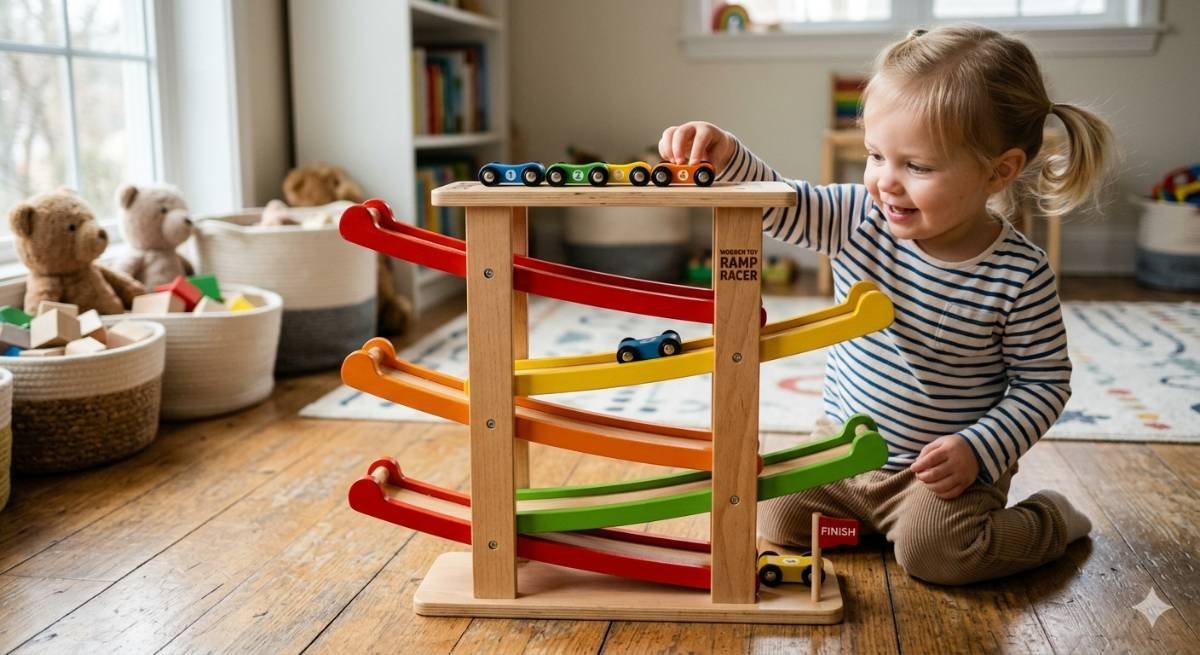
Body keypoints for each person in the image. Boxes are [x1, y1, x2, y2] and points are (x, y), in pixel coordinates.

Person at [658, 23, 1114, 585]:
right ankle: (879, 529)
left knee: (939, 555)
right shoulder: (856, 218)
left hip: (943, 476)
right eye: (876, 155)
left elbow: (1044, 382)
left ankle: (1049, 521)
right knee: (772, 513)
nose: (885, 182)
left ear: (999, 171)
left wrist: (977, 449)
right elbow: (779, 203)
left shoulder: (1019, 275)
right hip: (844, 452)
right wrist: (726, 156)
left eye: (916, 167)